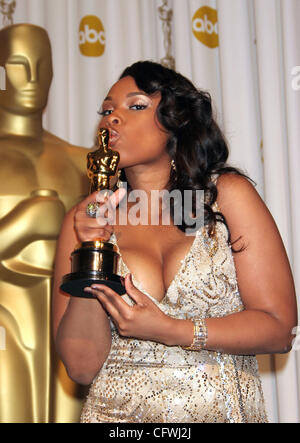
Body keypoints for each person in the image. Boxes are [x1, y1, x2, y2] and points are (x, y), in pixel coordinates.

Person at [52, 61, 297, 423]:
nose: (111, 119)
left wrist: (172, 330)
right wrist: (92, 249)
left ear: (175, 121)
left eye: (135, 106)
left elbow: (279, 328)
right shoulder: (85, 219)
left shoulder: (227, 196)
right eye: (107, 110)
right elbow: (82, 367)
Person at [0, 23, 89, 422]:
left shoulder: (81, 161)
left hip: (72, 322)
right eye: (19, 65)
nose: (32, 79)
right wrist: (24, 224)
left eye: (42, 65)